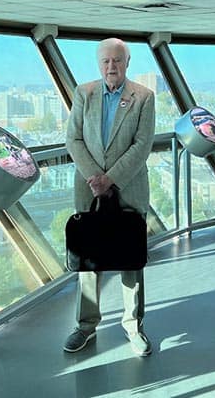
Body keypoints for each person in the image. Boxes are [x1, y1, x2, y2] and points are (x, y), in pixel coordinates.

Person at [63, 38, 155, 357]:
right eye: (105, 62)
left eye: (117, 61)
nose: (111, 67)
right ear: (98, 64)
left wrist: (111, 179)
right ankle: (86, 325)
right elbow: (73, 138)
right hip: (89, 189)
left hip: (128, 188)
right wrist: (95, 178)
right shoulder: (84, 93)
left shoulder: (144, 97)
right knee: (88, 257)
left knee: (131, 257)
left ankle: (133, 325)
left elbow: (142, 145)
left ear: (127, 63)